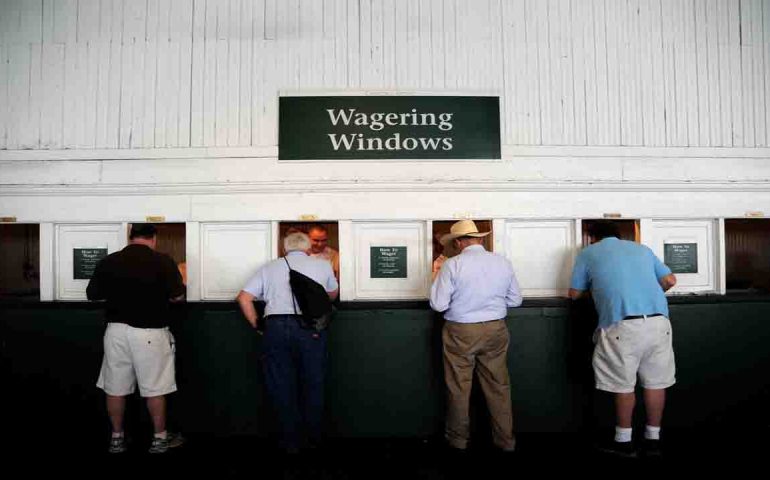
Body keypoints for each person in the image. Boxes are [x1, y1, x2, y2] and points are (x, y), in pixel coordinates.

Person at [568, 220, 677, 458]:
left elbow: (574, 294)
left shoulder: (589, 253)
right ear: (618, 235)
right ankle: (653, 439)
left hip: (622, 324)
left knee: (623, 384)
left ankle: (624, 441)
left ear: (592, 237)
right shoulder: (642, 250)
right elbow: (670, 280)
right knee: (655, 382)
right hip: (659, 323)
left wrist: (601, 291)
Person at [86, 223, 186, 454]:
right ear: (154, 238)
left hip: (116, 331)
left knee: (115, 387)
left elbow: (93, 294)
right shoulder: (163, 261)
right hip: (150, 332)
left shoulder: (109, 261)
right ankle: (159, 439)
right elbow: (178, 296)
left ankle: (117, 438)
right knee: (155, 387)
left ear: (130, 237)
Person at [236, 231, 339, 454]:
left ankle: (288, 442)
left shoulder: (270, 267)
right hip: (310, 328)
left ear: (284, 249)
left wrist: (257, 324)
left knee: (280, 384)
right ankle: (313, 440)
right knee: (313, 382)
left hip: (275, 327)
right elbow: (331, 295)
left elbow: (244, 298)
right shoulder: (322, 265)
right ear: (308, 248)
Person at [429, 220, 522, 453]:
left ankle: (458, 440)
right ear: (480, 239)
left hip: (461, 331)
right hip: (496, 328)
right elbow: (515, 300)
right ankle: (505, 440)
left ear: (458, 242)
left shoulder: (452, 265)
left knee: (458, 386)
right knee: (498, 386)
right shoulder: (502, 262)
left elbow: (438, 305)